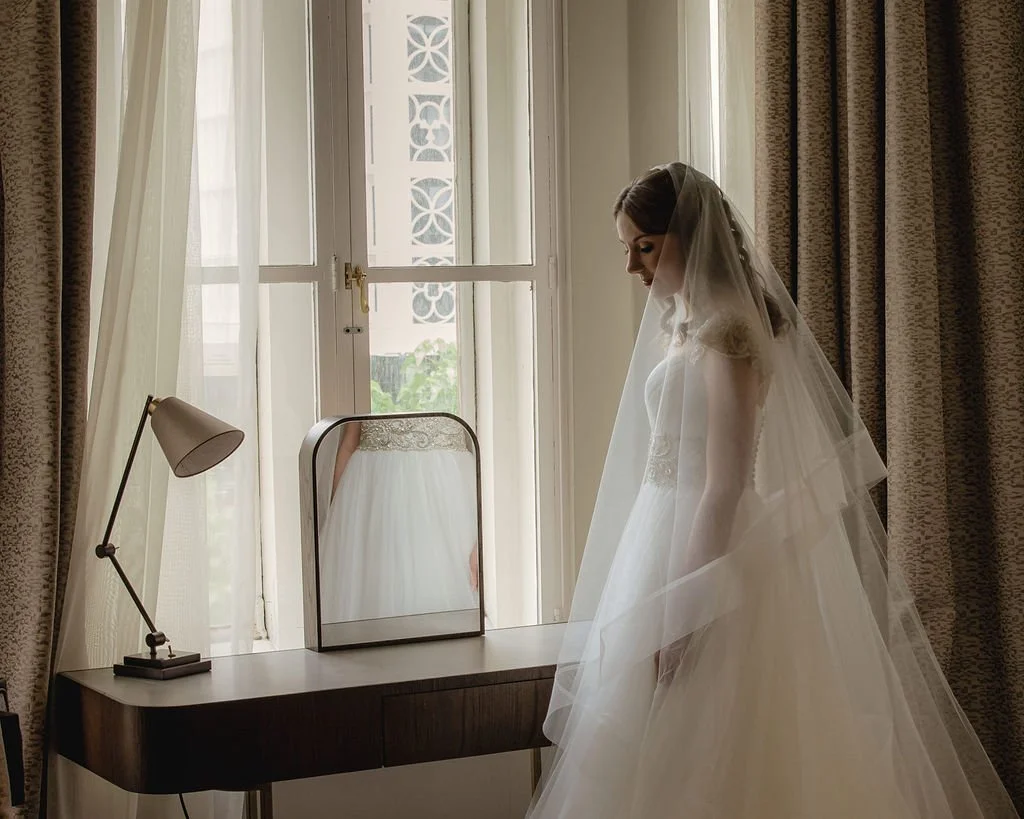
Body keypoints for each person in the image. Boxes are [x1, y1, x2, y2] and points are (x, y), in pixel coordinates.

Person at [526, 163, 1019, 818]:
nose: (633, 268)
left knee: (713, 746)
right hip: (661, 544)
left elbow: (724, 487)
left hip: (707, 552)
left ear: (688, 234)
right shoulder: (691, 325)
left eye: (644, 246)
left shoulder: (728, 332)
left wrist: (687, 610)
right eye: (626, 249)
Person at [317, 416, 480, 623]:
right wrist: (338, 518)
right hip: (374, 493)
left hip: (445, 493)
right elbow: (350, 442)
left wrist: (484, 539)